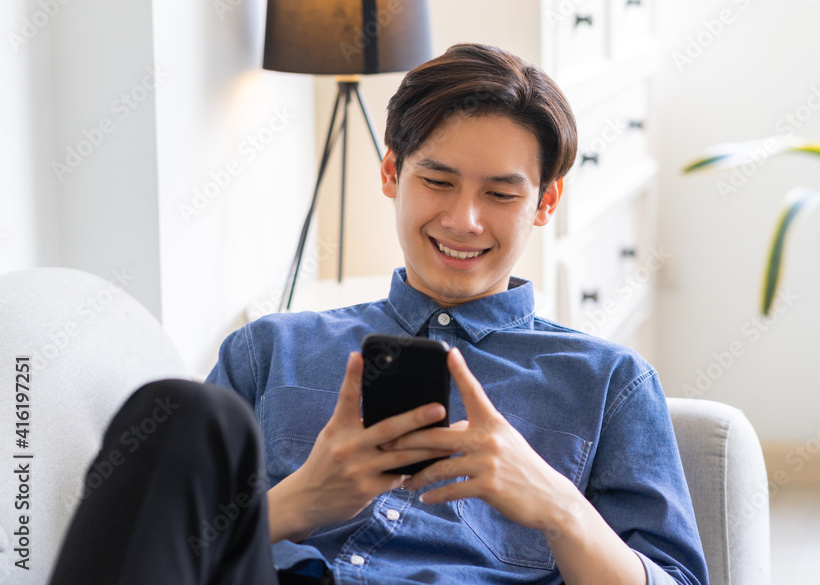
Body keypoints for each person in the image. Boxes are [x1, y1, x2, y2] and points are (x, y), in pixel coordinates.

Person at [50, 43, 708, 585]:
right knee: (185, 410)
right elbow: (159, 549)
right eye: (438, 181)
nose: (464, 220)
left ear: (545, 200)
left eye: (501, 193)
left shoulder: (609, 383)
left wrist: (559, 506)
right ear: (392, 171)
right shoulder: (269, 351)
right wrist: (299, 501)